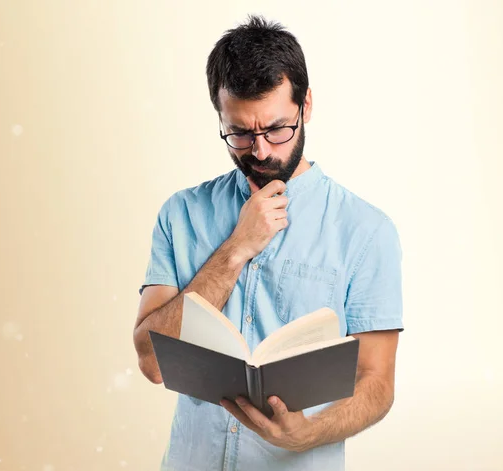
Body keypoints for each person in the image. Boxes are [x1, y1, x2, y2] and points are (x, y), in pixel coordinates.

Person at [133, 14, 404, 471]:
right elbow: (152, 361)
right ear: (220, 117)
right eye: (239, 133)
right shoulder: (181, 214)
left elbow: (376, 382)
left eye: (277, 128)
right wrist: (236, 249)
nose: (259, 151)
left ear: (307, 106)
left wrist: (308, 434)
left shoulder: (366, 231)